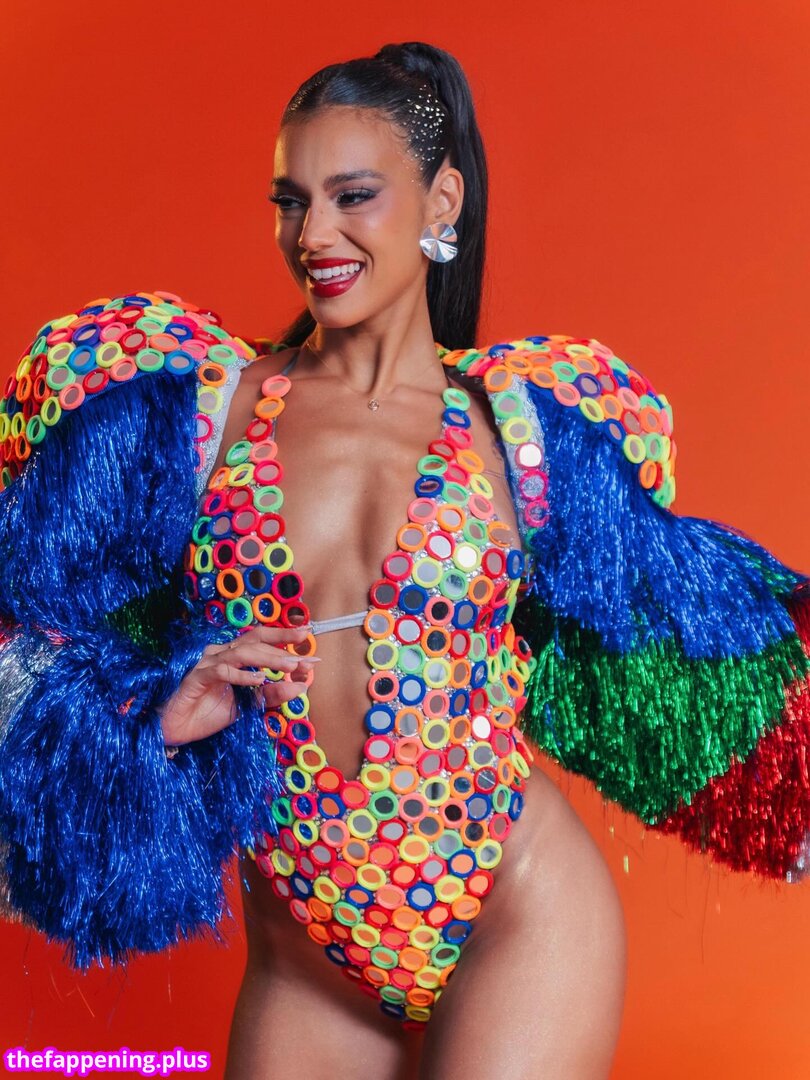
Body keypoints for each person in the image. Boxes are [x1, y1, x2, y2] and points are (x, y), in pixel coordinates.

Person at [0, 40, 807, 1080]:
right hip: (306, 961)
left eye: (353, 196)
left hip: (515, 918)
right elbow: (37, 626)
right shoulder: (195, 422)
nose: (314, 235)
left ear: (441, 202)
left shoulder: (522, 436)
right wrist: (156, 705)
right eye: (291, 201)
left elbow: (694, 621)